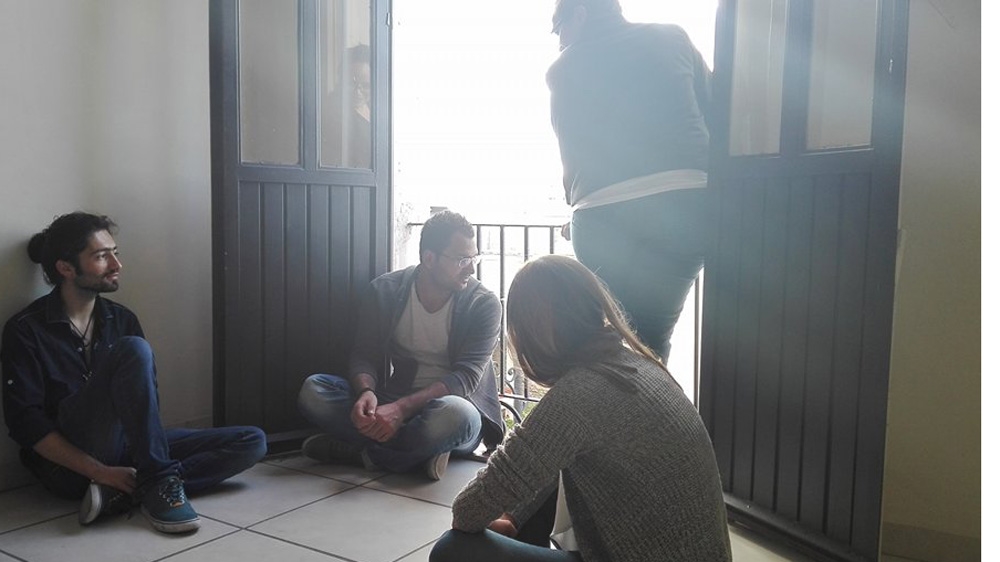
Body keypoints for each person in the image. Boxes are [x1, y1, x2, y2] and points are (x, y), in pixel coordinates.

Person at [430, 255, 732, 562]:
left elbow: (467, 511)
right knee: (544, 477)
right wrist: (513, 516)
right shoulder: (635, 364)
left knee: (452, 550)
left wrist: (501, 516)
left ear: (530, 333)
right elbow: (541, 461)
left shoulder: (579, 395)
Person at [1, 212, 267, 534]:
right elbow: (26, 424)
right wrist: (100, 471)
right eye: (102, 256)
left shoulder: (121, 319)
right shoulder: (25, 330)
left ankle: (123, 491)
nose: (117, 264)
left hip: (125, 449)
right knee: (134, 349)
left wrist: (125, 466)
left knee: (251, 441)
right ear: (66, 268)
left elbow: (143, 406)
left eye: (115, 252)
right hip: (68, 467)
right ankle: (157, 482)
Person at [547, 0, 712, 360]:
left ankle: (616, 392)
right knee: (652, 338)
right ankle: (653, 390)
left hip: (601, 215)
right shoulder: (674, 38)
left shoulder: (562, 70)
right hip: (684, 206)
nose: (559, 41)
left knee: (611, 334)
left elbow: (571, 156)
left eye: (559, 28)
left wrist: (578, 209)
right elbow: (717, 110)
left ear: (580, 14)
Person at [297, 210, 504, 480]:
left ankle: (360, 454)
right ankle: (419, 452)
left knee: (456, 417)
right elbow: (364, 354)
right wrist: (366, 392)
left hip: (453, 406)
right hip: (395, 397)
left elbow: (465, 378)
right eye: (462, 260)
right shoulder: (385, 291)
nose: (471, 268)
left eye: (474, 258)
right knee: (314, 391)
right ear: (429, 259)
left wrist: (401, 410)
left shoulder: (483, 304)